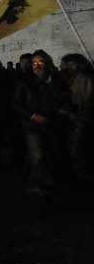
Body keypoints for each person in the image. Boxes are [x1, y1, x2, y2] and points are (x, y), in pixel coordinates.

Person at [12, 50, 65, 194]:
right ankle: (36, 184)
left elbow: (60, 99)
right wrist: (32, 115)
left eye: (40, 62)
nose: (37, 65)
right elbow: (16, 103)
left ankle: (50, 183)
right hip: (32, 125)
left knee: (51, 153)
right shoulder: (25, 81)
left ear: (47, 63)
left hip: (52, 123)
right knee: (36, 155)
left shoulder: (56, 80)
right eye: (34, 63)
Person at [60, 53, 94, 181]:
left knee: (81, 147)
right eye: (66, 64)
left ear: (80, 64)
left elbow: (87, 101)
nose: (68, 67)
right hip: (76, 118)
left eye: (71, 64)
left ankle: (83, 174)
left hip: (82, 118)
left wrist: (76, 115)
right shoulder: (72, 77)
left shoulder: (85, 78)